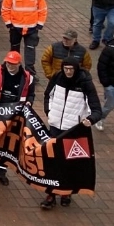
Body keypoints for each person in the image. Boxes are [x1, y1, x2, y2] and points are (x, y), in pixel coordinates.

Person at [42, 57, 102, 208]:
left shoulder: (85, 83)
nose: (68, 72)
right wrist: (49, 113)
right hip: (55, 126)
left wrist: (90, 120)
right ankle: (51, 194)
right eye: (66, 69)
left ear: (76, 69)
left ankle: (65, 192)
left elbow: (96, 109)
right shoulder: (57, 77)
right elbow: (47, 95)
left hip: (73, 129)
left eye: (71, 69)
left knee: (69, 162)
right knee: (53, 160)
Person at [0, 51, 35, 185]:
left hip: (15, 116)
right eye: (8, 62)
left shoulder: (27, 77)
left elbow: (31, 94)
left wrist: (29, 102)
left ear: (19, 64)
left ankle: (1, 171)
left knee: (8, 144)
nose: (10, 65)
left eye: (13, 64)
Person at [3, 0, 48, 72]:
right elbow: (5, 10)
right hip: (15, 28)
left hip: (32, 28)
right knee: (14, 49)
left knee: (30, 50)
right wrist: (9, 24)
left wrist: (39, 24)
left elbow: (43, 10)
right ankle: (14, 69)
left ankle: (30, 72)